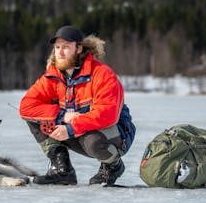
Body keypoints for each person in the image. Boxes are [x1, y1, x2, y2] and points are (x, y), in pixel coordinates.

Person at [19, 25, 135, 186]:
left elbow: (107, 114)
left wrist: (71, 129)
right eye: (57, 47)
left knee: (93, 142)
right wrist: (62, 116)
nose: (59, 52)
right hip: (78, 130)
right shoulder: (53, 76)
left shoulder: (102, 74)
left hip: (115, 134)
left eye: (66, 47)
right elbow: (26, 106)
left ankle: (113, 166)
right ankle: (62, 170)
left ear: (79, 48)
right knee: (38, 118)